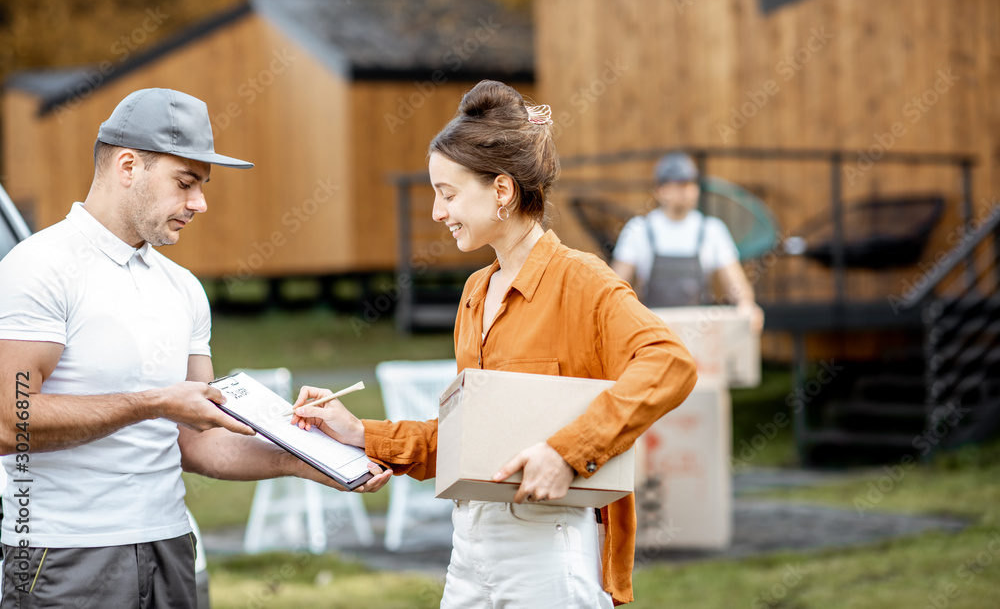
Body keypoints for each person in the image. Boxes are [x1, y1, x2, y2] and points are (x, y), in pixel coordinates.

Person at [290, 80, 698, 606]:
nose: (438, 212)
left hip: (550, 548)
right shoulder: (475, 293)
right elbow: (469, 440)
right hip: (469, 546)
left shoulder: (583, 281)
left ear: (501, 191)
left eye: (448, 193)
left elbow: (670, 364)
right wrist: (358, 433)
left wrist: (568, 452)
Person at [0, 88, 390, 607]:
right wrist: (153, 403)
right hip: (64, 553)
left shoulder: (183, 287)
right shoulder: (38, 267)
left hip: (171, 546)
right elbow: (10, 422)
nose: (199, 203)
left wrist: (313, 462)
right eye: (185, 183)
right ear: (128, 165)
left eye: (202, 187)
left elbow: (197, 440)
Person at [610, 151, 764, 332]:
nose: (687, 191)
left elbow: (736, 285)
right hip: (651, 332)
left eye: (691, 184)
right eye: (680, 184)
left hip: (697, 333)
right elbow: (616, 286)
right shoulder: (639, 230)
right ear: (661, 191)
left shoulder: (711, 230)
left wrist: (746, 304)